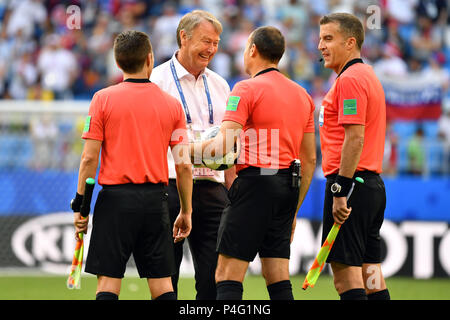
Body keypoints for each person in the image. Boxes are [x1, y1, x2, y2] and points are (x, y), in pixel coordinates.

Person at [191, 26, 316, 300]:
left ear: (253, 50)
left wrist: (185, 150)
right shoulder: (302, 95)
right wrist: (293, 209)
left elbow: (223, 146)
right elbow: (309, 159)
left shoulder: (245, 89)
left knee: (226, 274)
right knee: (277, 275)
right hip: (288, 185)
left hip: (255, 184)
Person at [71, 30, 193, 300]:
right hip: (155, 201)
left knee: (108, 284)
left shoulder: (102, 99)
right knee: (162, 286)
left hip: (115, 202)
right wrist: (186, 210)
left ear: (117, 62)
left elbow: (89, 159)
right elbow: (183, 165)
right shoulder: (172, 105)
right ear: (150, 59)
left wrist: (81, 206)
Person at [150, 10, 236, 300]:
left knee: (214, 279)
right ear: (183, 37)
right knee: (166, 278)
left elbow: (231, 143)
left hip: (213, 190)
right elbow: (150, 139)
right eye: (205, 41)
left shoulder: (221, 85)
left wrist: (232, 191)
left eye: (216, 42)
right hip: (169, 188)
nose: (211, 49)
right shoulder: (157, 80)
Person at [317, 13, 390, 300]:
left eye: (328, 38)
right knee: (371, 275)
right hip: (370, 185)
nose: (321, 45)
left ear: (350, 43)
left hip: (350, 186)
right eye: (320, 38)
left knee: (346, 280)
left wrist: (340, 189)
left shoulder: (350, 79)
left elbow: (355, 136)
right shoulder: (367, 75)